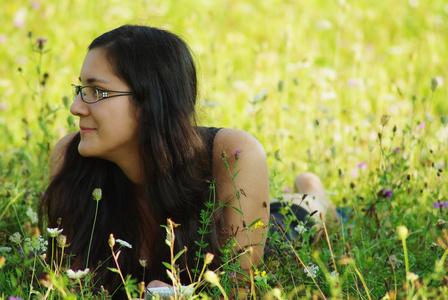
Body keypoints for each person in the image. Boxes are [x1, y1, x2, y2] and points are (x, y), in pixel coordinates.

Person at [39, 25, 336, 298]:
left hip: (261, 229)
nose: (75, 107)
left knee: (302, 217)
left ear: (150, 102)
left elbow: (239, 288)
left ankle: (313, 190)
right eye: (81, 89)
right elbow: (71, 283)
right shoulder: (72, 157)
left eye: (96, 92)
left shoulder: (232, 153)